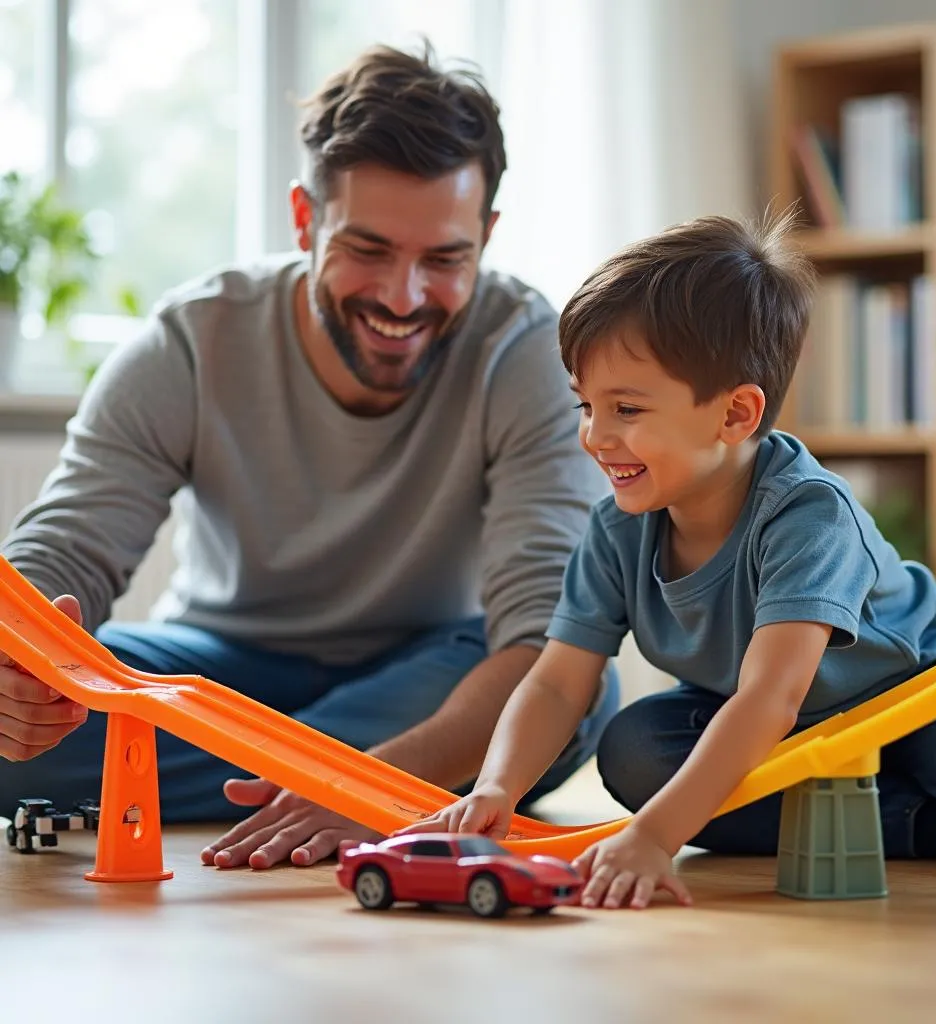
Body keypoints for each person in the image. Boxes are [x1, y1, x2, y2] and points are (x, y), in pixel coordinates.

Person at [0, 43, 617, 869]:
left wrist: (388, 767)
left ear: (487, 235)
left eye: (444, 259)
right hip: (220, 666)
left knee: (576, 691)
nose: (404, 298)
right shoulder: (191, 341)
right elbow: (62, 550)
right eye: (367, 249)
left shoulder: (529, 351)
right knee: (40, 712)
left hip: (432, 667)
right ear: (304, 219)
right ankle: (373, 784)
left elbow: (543, 630)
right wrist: (20, 668)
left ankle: (347, 778)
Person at [404, 210, 936, 909]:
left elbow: (771, 695)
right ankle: (932, 826)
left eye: (627, 410)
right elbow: (556, 684)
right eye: (585, 405)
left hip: (917, 697)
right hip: (795, 727)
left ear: (735, 415)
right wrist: (497, 787)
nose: (594, 436)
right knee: (636, 750)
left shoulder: (807, 514)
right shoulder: (618, 528)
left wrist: (657, 835)